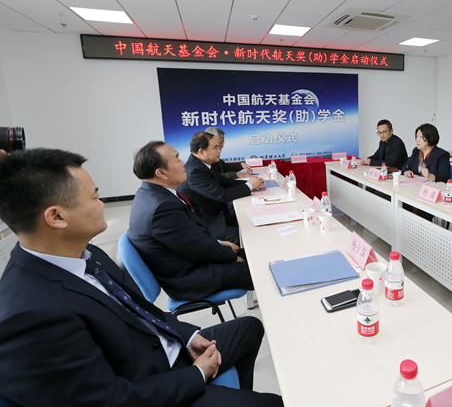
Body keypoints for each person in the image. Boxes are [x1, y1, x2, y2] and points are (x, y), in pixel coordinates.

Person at [0, 148, 282, 407]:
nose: (103, 205)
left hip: (164, 350)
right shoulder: (31, 313)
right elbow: (109, 400)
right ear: (57, 217)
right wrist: (196, 375)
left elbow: (140, 308)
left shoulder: (87, 253)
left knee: (248, 328)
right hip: (150, 387)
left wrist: (187, 336)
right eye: (95, 197)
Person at [129, 141, 254, 302]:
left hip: (190, 260)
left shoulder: (152, 194)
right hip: (190, 277)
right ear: (161, 173)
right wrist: (231, 257)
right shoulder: (161, 207)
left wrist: (217, 243)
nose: (183, 163)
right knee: (261, 269)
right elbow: (197, 247)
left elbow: (188, 239)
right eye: (177, 159)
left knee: (256, 253)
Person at [179, 132, 264, 242]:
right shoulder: (195, 171)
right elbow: (222, 195)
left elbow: (224, 182)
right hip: (211, 225)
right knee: (253, 236)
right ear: (201, 152)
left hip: (221, 214)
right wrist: (250, 185)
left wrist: (251, 183)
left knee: (256, 220)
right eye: (215, 147)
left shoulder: (206, 163)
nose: (219, 150)